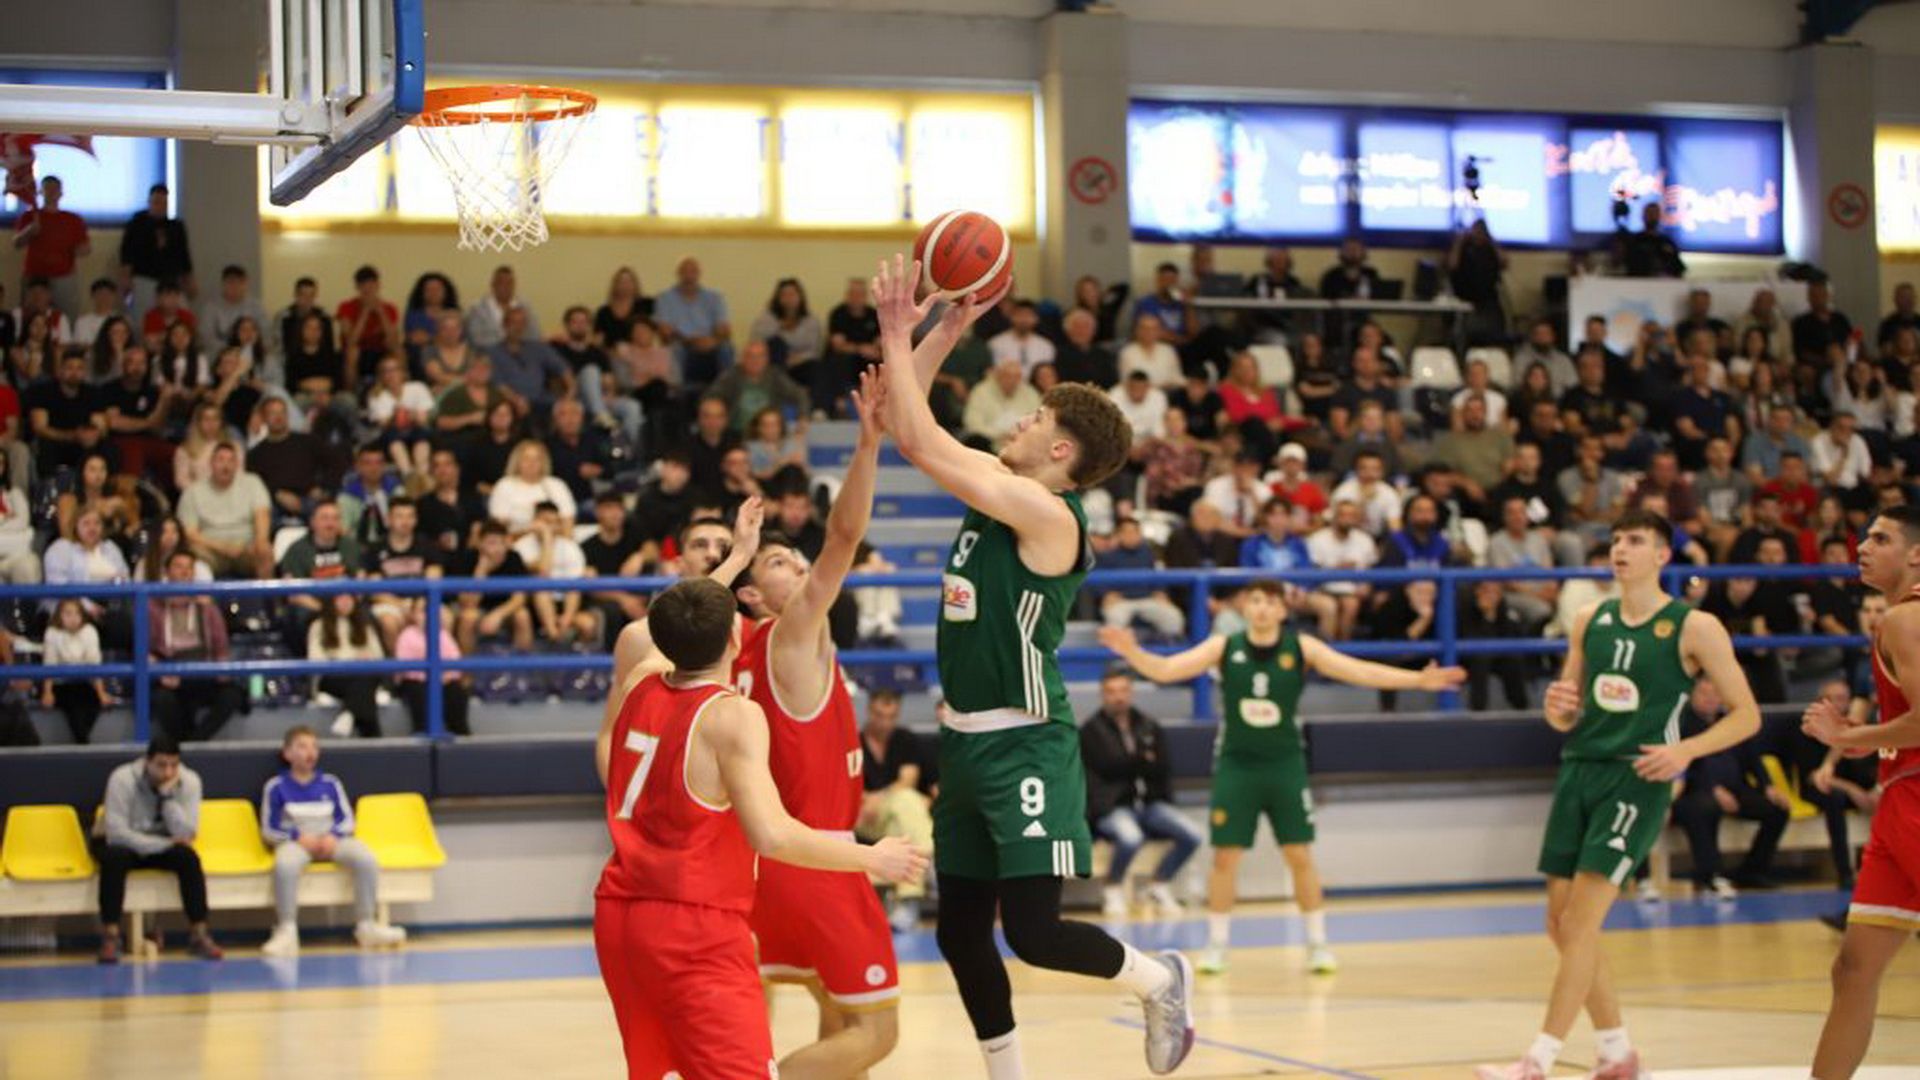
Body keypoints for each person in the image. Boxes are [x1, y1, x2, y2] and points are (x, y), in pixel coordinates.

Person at [871, 254, 1194, 1078]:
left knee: (1035, 933)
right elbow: (912, 430)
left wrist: (899, 331)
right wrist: (945, 328)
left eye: (1033, 417)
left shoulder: (1048, 516)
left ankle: (1160, 979)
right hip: (965, 741)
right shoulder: (997, 481)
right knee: (958, 931)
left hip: (1025, 743)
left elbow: (923, 441)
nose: (1015, 422)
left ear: (1058, 447)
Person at [592, 577, 925, 1080]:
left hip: (621, 915)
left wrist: (730, 564)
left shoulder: (641, 679)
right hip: (693, 923)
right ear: (734, 638)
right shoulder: (732, 716)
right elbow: (771, 835)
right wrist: (873, 857)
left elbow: (673, 627)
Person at [1477, 508, 1761, 1080]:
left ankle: (1539, 1059)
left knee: (1579, 926)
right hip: (1579, 770)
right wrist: (1557, 709)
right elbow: (1567, 710)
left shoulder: (1694, 626)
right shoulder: (1590, 619)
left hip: (1637, 778)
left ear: (1663, 555)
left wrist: (1686, 751)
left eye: (1635, 540)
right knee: (1559, 923)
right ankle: (1616, 1051)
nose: (1620, 549)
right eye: (1615, 540)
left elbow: (1747, 716)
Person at [1103, 580, 1464, 976]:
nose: (1261, 608)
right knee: (1225, 857)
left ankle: (1318, 943)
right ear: (1246, 608)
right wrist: (1132, 652)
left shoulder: (1302, 647)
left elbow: (1358, 671)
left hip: (1285, 765)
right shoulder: (1224, 646)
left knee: (1299, 855)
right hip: (1237, 766)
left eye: (1269, 602)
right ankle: (1217, 945)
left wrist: (1417, 680)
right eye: (1255, 600)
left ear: (1282, 610)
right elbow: (1168, 669)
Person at [722, 370, 905, 1079]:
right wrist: (868, 445)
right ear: (751, 596)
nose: (797, 564)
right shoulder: (790, 632)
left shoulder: (737, 649)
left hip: (774, 862)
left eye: (793, 555)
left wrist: (738, 558)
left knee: (835, 1015)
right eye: (777, 561)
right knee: (875, 1033)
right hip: (819, 859)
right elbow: (845, 535)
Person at [1800, 504, 1920, 1079]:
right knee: (1853, 969)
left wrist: (1850, 736)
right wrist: (1868, 740)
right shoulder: (1898, 618)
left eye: (1880, 538)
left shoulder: (1905, 619)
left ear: (1916, 554)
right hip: (1899, 798)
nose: (1863, 547)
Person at [259, 726, 408, 957]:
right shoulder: (275, 787)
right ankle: (286, 930)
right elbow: (269, 829)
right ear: (287, 753)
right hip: (296, 843)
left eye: (314, 746)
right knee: (284, 865)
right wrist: (298, 838)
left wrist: (333, 836)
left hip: (331, 840)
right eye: (302, 746)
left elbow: (347, 820)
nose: (310, 752)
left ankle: (367, 925)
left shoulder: (331, 783)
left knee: (365, 858)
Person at [1080, 667, 1203, 918]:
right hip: (1113, 806)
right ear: (1103, 694)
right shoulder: (1091, 731)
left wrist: (1134, 764)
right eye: (1112, 692)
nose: (1118, 697)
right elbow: (1105, 768)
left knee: (1193, 834)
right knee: (1130, 837)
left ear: (1131, 692)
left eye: (1123, 690)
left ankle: (1160, 884)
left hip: (1149, 803)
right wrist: (1138, 760)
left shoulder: (1148, 725)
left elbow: (1162, 766)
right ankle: (1113, 887)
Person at [94, 736, 223, 963]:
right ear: (147, 762)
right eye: (161, 765)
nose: (168, 772)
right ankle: (111, 936)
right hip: (123, 843)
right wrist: (164, 844)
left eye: (174, 765)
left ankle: (199, 933)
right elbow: (116, 834)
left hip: (162, 841)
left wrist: (167, 799)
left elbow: (187, 834)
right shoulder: (122, 779)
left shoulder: (190, 781)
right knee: (114, 859)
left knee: (188, 859)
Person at [1668, 679, 1790, 898]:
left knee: (1777, 810)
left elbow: (1753, 758)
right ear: (1692, 695)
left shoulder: (1732, 723)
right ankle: (1711, 874)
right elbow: (1682, 768)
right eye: (1704, 692)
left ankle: (1753, 870)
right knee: (1706, 808)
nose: (1710, 698)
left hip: (1735, 788)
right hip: (1693, 791)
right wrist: (1712, 788)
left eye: (1715, 693)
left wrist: (1767, 786)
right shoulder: (1681, 724)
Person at [858, 688, 936, 928]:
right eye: (880, 716)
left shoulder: (905, 739)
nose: (885, 723)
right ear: (869, 710)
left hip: (894, 815)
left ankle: (907, 901)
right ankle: (928, 863)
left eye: (891, 717)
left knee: (904, 809)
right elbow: (847, 787)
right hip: (862, 816)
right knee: (908, 803)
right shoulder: (852, 741)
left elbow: (907, 781)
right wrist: (868, 800)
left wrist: (877, 798)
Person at [149, 550, 246, 742]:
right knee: (161, 698)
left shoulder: (207, 608)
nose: (184, 572)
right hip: (169, 672)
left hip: (203, 671)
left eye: (189, 568)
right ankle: (185, 743)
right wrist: (160, 672)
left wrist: (220, 671)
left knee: (232, 695)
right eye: (178, 567)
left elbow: (221, 648)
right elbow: (145, 649)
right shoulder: (153, 607)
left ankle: (194, 743)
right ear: (167, 572)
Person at [307, 593, 385, 739]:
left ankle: (348, 713)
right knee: (365, 685)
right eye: (340, 598)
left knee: (366, 678)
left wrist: (366, 659)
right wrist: (349, 660)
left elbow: (378, 657)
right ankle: (372, 737)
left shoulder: (365, 625)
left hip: (362, 675)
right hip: (333, 676)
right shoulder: (319, 626)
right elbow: (315, 660)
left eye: (349, 598)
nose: (346, 602)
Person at [653, 256, 734, 391]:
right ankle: (679, 392)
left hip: (711, 342)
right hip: (681, 342)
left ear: (699, 274)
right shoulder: (665, 298)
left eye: (693, 271)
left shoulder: (714, 297)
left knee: (726, 348)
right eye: (685, 271)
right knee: (674, 351)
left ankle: (726, 390)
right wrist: (690, 341)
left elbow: (724, 327)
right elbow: (664, 331)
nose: (689, 276)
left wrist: (713, 340)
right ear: (678, 274)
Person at [119, 183, 193, 323]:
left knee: (177, 318)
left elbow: (184, 256)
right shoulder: (136, 224)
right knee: (143, 318)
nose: (160, 206)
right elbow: (127, 254)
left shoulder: (176, 226)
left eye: (164, 203)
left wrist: (189, 280)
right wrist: (126, 278)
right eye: (157, 202)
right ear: (149, 202)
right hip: (144, 278)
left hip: (171, 279)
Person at [394, 603, 471, 736]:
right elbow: (404, 666)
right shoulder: (406, 635)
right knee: (418, 692)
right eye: (422, 611)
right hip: (416, 681)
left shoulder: (443, 634)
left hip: (443, 679)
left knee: (456, 691)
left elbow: (455, 660)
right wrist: (429, 676)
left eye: (429, 611)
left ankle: (460, 732)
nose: (426, 616)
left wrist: (446, 676)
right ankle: (422, 732)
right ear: (413, 615)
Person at [43, 598, 109, 743]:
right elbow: (49, 663)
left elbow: (95, 663)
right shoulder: (52, 632)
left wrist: (101, 692)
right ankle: (83, 744)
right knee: (75, 704)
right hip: (61, 684)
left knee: (93, 701)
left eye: (77, 613)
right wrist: (47, 692)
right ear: (59, 615)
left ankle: (81, 744)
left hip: (84, 683)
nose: (73, 618)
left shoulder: (89, 631)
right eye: (68, 613)